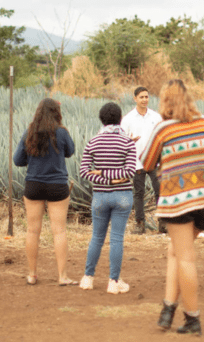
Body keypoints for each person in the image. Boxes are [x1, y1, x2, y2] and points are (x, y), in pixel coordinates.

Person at [141, 79, 204, 335]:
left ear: (165, 102)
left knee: (185, 258)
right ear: (189, 98)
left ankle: (193, 318)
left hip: (178, 201)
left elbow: (146, 163)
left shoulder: (163, 128)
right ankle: (168, 309)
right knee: (176, 253)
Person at [13, 98, 76, 286]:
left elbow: (17, 160)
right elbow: (70, 152)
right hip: (57, 186)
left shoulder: (29, 132)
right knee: (59, 231)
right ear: (57, 113)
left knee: (32, 231)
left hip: (34, 184)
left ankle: (32, 275)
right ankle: (62, 276)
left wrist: (33, 161)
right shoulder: (62, 133)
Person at [78, 102, 136, 293]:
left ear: (101, 120)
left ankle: (88, 278)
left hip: (100, 196)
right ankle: (113, 282)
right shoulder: (128, 142)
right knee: (117, 239)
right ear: (120, 119)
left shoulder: (93, 142)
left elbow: (84, 172)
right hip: (123, 196)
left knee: (96, 237)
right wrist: (115, 179)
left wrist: (102, 173)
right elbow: (129, 172)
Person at [121, 86, 163, 234]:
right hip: (136, 162)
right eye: (141, 97)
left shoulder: (156, 117)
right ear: (135, 99)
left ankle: (163, 223)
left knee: (160, 190)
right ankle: (140, 224)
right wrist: (129, 141)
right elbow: (121, 141)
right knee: (138, 192)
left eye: (146, 97)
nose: (145, 99)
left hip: (155, 160)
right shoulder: (127, 119)